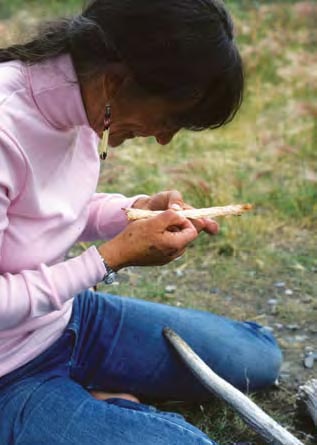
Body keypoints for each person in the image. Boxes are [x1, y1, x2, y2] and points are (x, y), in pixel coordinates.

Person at [0, 0, 282, 444]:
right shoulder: (7, 124)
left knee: (260, 358)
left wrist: (135, 211)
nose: (165, 138)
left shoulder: (83, 98)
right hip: (7, 370)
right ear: (118, 80)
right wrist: (109, 259)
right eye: (169, 118)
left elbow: (49, 209)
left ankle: (92, 401)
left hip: (64, 320)